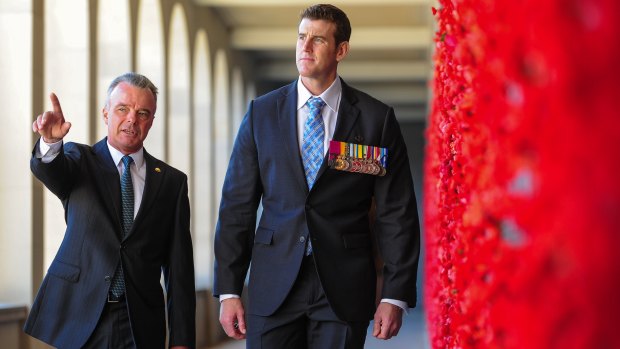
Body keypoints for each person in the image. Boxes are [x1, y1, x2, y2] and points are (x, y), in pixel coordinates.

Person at [213, 4, 420, 349]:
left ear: (341, 50)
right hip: (274, 285)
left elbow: (397, 212)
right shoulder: (261, 114)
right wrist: (229, 289)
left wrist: (395, 294)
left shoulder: (375, 120)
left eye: (318, 39)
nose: (305, 47)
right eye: (301, 37)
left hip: (343, 287)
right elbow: (237, 206)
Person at [25, 72, 196, 348]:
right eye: (122, 109)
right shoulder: (80, 161)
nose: (132, 119)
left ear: (152, 120)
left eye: (142, 113)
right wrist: (50, 143)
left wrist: (182, 340)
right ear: (106, 114)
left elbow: (179, 270)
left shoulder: (172, 182)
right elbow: (50, 170)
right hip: (81, 317)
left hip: (139, 322)